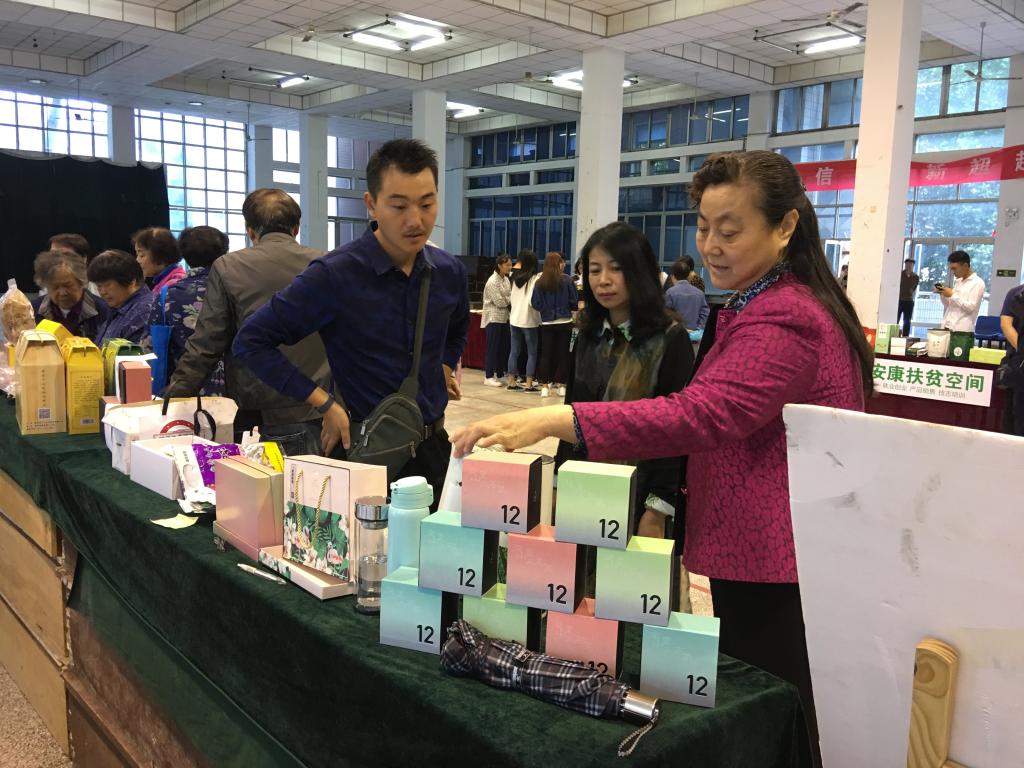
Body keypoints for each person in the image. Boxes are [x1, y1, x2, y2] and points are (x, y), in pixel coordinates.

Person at [451, 150, 874, 766]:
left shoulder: (786, 315)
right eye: (703, 228)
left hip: (778, 554)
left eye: (730, 230)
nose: (711, 246)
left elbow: (703, 413)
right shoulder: (761, 300)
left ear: (785, 226)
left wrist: (555, 420)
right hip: (765, 546)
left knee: (780, 715)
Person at [233, 139, 469, 502]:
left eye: (426, 204)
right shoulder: (335, 274)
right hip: (364, 456)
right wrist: (323, 403)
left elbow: (457, 327)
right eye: (399, 206)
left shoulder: (448, 271)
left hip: (434, 451)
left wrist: (445, 366)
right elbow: (251, 342)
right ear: (371, 204)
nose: (415, 220)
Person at [165, 189, 331, 454]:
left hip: (261, 411)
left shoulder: (228, 267)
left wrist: (174, 398)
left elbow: (207, 342)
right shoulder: (326, 264)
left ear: (250, 230)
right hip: (324, 408)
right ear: (296, 228)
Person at [559, 221, 693, 545]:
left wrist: (658, 509)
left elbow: (677, 433)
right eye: (594, 270)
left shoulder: (669, 339)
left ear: (639, 271)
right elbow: (570, 416)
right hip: (585, 485)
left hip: (641, 492)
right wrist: (557, 484)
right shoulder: (586, 335)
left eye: (616, 268)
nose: (603, 280)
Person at [148, 226, 229, 394]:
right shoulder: (235, 289)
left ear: (184, 254)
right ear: (224, 252)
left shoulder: (167, 295)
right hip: (235, 390)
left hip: (184, 388)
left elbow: (151, 345)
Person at [31, 250, 108, 342]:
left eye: (68, 285)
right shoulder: (33, 311)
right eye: (55, 287)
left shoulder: (102, 311)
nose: (62, 293)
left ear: (81, 282)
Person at [531, 251, 577, 397]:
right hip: (565, 321)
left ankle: (545, 386)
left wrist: (545, 309)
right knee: (564, 355)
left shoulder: (540, 282)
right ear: (559, 264)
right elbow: (574, 300)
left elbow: (535, 303)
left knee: (546, 355)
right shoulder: (567, 280)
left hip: (547, 322)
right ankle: (562, 386)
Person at [87, 250, 154, 346]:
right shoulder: (118, 306)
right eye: (99, 286)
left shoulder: (144, 312)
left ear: (131, 281)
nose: (103, 292)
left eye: (107, 285)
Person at [506, 249, 541, 392]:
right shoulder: (535, 279)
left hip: (514, 318)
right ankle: (528, 384)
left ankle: (511, 381)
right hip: (529, 319)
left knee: (514, 351)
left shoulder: (513, 277)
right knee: (532, 353)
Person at [481, 253, 512, 387]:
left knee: (502, 348)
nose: (509, 267)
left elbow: (509, 296)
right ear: (499, 265)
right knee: (492, 348)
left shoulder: (506, 280)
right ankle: (488, 376)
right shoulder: (492, 281)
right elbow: (499, 302)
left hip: (504, 318)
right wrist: (508, 299)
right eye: (507, 265)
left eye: (510, 265)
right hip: (493, 318)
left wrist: (508, 299)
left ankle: (500, 374)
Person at [936, 250, 985, 332]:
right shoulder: (958, 282)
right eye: (951, 269)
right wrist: (943, 294)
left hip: (962, 330)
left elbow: (971, 308)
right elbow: (948, 305)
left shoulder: (977, 282)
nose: (953, 272)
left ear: (965, 266)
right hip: (948, 326)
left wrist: (952, 295)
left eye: (954, 268)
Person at [1000, 282, 1024, 436]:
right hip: (1019, 362)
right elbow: (1006, 325)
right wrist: (1021, 347)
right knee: (1019, 414)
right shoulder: (1015, 294)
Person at [132, 227, 186, 292]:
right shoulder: (163, 280)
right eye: (137, 255)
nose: (137, 260)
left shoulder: (174, 285)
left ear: (159, 255)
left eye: (141, 255)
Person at [664, 256, 710, 330]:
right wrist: (698, 329)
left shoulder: (670, 292)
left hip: (676, 332)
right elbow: (705, 314)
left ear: (672, 276)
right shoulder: (699, 293)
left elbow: (667, 314)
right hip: (694, 333)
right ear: (688, 275)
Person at [898, 258, 919, 337]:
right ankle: (894, 335)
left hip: (909, 301)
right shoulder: (900, 274)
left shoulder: (916, 277)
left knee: (907, 321)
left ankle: (905, 337)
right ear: (905, 265)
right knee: (896, 319)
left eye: (910, 265)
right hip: (899, 300)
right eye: (907, 264)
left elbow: (914, 288)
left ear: (913, 266)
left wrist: (910, 293)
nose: (909, 266)